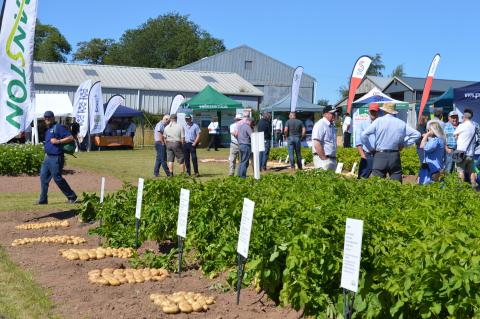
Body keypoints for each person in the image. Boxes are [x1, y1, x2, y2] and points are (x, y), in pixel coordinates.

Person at [361, 103, 420, 183]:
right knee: (396, 185)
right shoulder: (401, 123)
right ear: (394, 111)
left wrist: (371, 149)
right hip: (394, 156)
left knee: (377, 186)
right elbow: (417, 134)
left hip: (379, 156)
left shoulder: (378, 121)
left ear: (384, 111)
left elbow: (364, 135)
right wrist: (404, 144)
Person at [37, 111, 77, 205]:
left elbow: (71, 137)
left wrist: (58, 141)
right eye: (46, 117)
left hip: (56, 158)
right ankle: (43, 200)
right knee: (43, 177)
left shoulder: (58, 127)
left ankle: (72, 196)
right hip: (47, 158)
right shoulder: (48, 129)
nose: (47, 118)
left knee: (57, 178)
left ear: (53, 118)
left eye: (49, 117)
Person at [355, 103, 380, 178]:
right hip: (367, 155)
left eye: (375, 111)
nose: (373, 113)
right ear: (369, 112)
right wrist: (362, 155)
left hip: (379, 155)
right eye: (371, 111)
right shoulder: (362, 124)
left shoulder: (381, 123)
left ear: (378, 112)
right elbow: (358, 141)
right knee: (362, 177)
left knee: (378, 178)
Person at [454, 108, 476, 185]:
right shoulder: (474, 126)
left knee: (460, 171)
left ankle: (460, 188)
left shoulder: (461, 126)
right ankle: (474, 186)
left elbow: (455, 135)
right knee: (472, 171)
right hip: (471, 153)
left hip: (461, 152)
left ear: (464, 117)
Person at [312, 106, 337, 171]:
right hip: (323, 159)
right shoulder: (320, 124)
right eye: (332, 113)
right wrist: (324, 159)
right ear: (325, 114)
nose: (334, 115)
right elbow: (316, 143)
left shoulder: (332, 125)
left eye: (335, 113)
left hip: (331, 159)